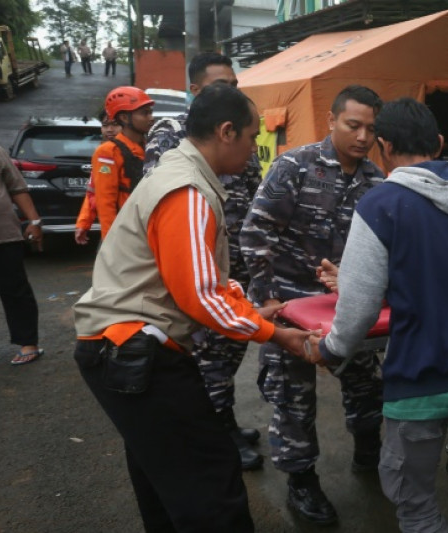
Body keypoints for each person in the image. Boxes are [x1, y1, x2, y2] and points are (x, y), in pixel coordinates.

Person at [72, 83, 318, 532]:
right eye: (250, 137)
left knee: (164, 479)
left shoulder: (180, 174)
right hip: (135, 351)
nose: (254, 150)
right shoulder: (186, 191)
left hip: (124, 349)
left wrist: (248, 309)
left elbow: (203, 279)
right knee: (210, 483)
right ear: (226, 132)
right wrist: (277, 334)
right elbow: (200, 296)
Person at [306, 96, 448, 533]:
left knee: (415, 499)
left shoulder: (379, 206)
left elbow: (360, 305)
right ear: (441, 141)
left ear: (384, 146)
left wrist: (332, 349)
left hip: (418, 381)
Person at [240, 85, 385, 525]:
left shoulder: (375, 181)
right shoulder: (295, 166)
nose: (362, 137)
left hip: (346, 304)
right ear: (332, 121)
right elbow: (255, 235)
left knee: (366, 382)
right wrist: (268, 300)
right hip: (290, 301)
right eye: (353, 125)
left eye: (371, 130)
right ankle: (301, 480)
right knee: (292, 396)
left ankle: (368, 449)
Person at [143, 52, 264, 469]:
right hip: (200, 263)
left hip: (238, 264)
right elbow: (165, 198)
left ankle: (224, 422)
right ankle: (218, 439)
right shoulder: (172, 133)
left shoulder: (241, 134)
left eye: (233, 84)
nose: (230, 92)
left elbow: (256, 193)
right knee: (209, 358)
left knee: (227, 355)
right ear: (194, 91)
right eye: (219, 86)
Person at [0, 144, 44, 365]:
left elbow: (17, 188)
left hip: (3, 236)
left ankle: (28, 343)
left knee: (15, 290)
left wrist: (34, 221)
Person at [90, 86, 154, 240]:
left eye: (150, 112)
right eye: (145, 113)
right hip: (126, 234)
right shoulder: (108, 152)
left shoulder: (151, 147)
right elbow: (105, 202)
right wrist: (111, 243)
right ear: (125, 118)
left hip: (148, 229)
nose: (151, 118)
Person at [75, 111, 122, 245]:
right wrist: (83, 223)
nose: (109, 130)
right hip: (110, 232)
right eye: (105, 125)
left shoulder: (136, 152)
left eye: (115, 125)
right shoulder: (103, 153)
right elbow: (93, 193)